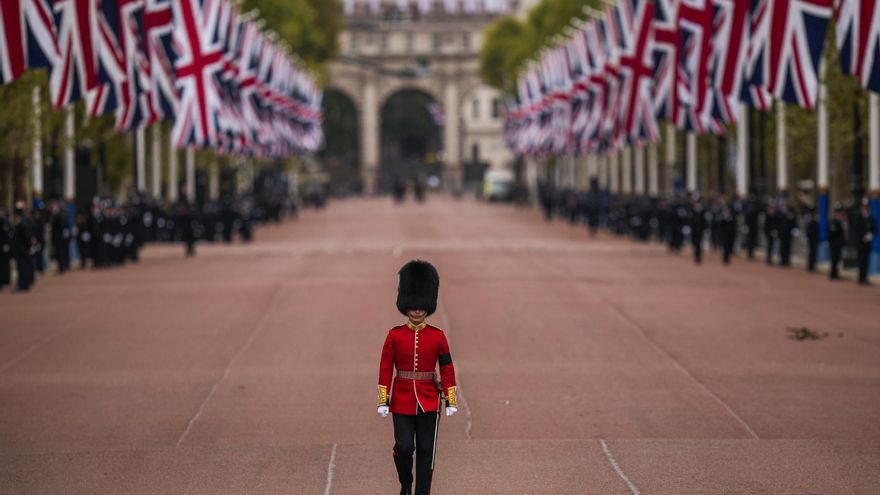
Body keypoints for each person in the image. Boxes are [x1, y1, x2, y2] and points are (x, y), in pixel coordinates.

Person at [377, 260, 458, 495]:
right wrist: (384, 399)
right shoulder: (394, 335)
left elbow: (447, 368)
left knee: (426, 450)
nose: (417, 310)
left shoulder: (438, 336)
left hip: (429, 400)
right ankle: (405, 483)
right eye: (413, 305)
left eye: (421, 305)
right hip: (401, 400)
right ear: (406, 304)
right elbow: (385, 368)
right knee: (403, 448)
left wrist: (451, 399)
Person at [11, 203, 35, 291]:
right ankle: (24, 284)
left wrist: (29, 245)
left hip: (22, 249)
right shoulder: (24, 221)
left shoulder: (21, 222)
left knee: (23, 267)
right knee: (23, 267)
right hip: (23, 249)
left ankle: (23, 284)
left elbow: (25, 236)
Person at [854, 198, 877, 285]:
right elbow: (856, 230)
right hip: (860, 243)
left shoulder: (871, 218)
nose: (866, 208)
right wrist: (862, 237)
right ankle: (861, 277)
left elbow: (874, 229)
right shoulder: (859, 217)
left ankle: (865, 277)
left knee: (867, 260)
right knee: (861, 260)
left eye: (867, 207)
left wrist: (871, 235)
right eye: (865, 207)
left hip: (868, 243)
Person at [828, 206, 846, 280]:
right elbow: (831, 234)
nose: (841, 215)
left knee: (837, 259)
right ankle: (832, 274)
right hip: (834, 244)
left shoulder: (840, 222)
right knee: (834, 259)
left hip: (839, 244)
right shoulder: (833, 222)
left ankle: (835, 273)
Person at [805, 207, 820, 272]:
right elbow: (809, 232)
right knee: (812, 253)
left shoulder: (815, 222)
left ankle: (812, 266)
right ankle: (811, 267)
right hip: (812, 240)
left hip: (814, 240)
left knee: (813, 253)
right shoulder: (811, 222)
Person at [0, 208, 11, 289]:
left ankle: (5, 280)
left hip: (4, 246)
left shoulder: (5, 222)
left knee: (5, 264)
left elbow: (7, 235)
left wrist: (6, 244)